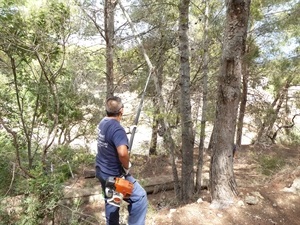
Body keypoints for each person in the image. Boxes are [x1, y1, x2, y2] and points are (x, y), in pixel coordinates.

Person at [95, 96, 148, 225]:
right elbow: (123, 153)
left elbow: (111, 136)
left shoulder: (103, 122)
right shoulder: (117, 129)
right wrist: (127, 165)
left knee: (112, 202)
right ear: (122, 110)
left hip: (102, 172)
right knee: (139, 197)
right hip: (114, 177)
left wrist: (128, 131)